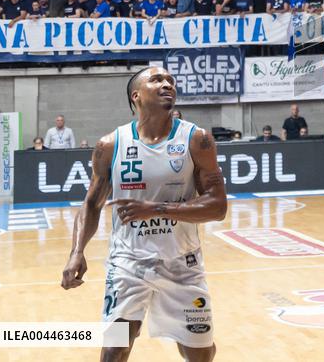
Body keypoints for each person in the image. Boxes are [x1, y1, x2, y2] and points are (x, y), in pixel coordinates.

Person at [61, 66, 227, 361]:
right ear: (136, 96)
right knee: (115, 348)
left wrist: (156, 209)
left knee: (199, 354)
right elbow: (91, 204)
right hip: (128, 263)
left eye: (171, 80)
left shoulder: (196, 139)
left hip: (182, 264)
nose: (167, 84)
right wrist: (77, 251)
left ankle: (198, 342)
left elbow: (218, 207)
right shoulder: (110, 145)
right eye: (157, 80)